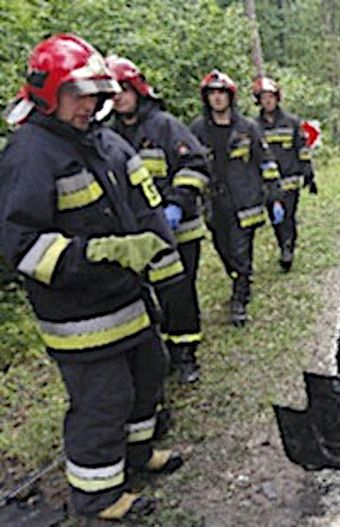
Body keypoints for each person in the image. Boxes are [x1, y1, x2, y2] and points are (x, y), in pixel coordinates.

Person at [0, 34, 184, 521]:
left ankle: (138, 456)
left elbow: (144, 208)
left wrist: (161, 265)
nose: (91, 104)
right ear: (46, 93)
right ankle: (98, 494)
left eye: (96, 94)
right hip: (80, 316)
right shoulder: (30, 154)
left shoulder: (104, 141)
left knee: (148, 376)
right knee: (103, 401)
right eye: (77, 94)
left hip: (129, 301)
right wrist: (97, 253)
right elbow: (22, 247)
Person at [107, 55, 211, 383]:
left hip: (179, 231)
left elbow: (195, 165)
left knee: (178, 293)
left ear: (138, 90)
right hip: (135, 235)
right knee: (146, 297)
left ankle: (185, 355)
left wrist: (177, 205)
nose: (119, 97)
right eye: (113, 91)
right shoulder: (106, 136)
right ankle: (160, 352)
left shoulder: (165, 125)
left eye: (125, 89)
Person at [191, 70, 283, 326]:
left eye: (222, 93)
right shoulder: (198, 130)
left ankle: (240, 299)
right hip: (214, 203)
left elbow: (266, 162)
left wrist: (275, 196)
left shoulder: (248, 128)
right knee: (224, 249)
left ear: (230, 97)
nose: (217, 98)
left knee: (242, 252)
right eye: (212, 94)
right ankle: (238, 278)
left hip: (245, 200)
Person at [251, 76, 316, 272]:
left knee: (288, 216)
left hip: (290, 179)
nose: (268, 101)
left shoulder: (292, 122)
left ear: (277, 98)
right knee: (276, 218)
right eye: (264, 97)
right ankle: (283, 243)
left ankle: (288, 248)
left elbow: (302, 148)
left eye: (271, 97)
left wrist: (308, 173)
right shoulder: (253, 126)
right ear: (259, 100)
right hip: (268, 182)